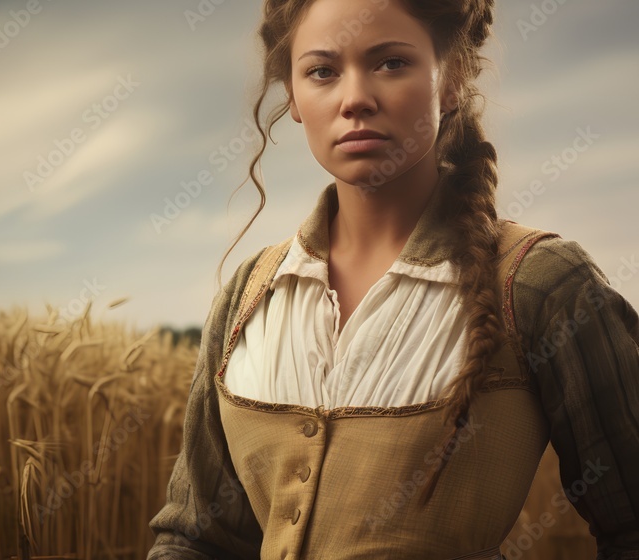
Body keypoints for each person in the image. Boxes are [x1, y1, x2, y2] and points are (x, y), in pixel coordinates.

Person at [146, 0, 639, 558]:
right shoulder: (249, 293)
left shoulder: (539, 285)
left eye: (391, 63)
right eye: (322, 71)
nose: (355, 98)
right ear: (294, 98)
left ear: (450, 78)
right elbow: (196, 538)